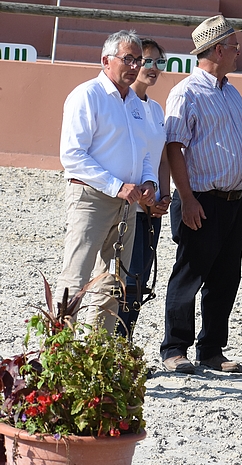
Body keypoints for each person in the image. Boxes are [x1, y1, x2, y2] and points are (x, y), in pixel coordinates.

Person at [160, 15, 242, 374]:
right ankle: (174, 348)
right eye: (234, 47)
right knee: (189, 274)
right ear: (217, 50)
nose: (238, 53)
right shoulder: (185, 93)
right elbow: (174, 147)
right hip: (202, 200)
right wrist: (186, 199)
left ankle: (212, 350)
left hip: (232, 202)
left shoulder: (231, 91)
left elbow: (239, 145)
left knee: (226, 277)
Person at [57, 30, 158, 332]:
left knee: (114, 282)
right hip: (92, 199)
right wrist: (116, 186)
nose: (135, 66)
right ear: (105, 60)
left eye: (138, 60)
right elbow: (72, 155)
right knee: (76, 276)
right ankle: (57, 351)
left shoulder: (136, 104)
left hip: (127, 203)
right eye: (128, 59)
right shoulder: (87, 96)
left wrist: (150, 181)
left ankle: (96, 354)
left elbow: (145, 153)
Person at [116, 38, 171, 337]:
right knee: (126, 279)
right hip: (128, 205)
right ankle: (115, 347)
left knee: (141, 280)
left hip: (152, 208)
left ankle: (124, 345)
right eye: (147, 61)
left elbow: (161, 157)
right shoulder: (125, 104)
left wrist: (164, 196)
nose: (152, 68)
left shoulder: (156, 109)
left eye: (158, 62)